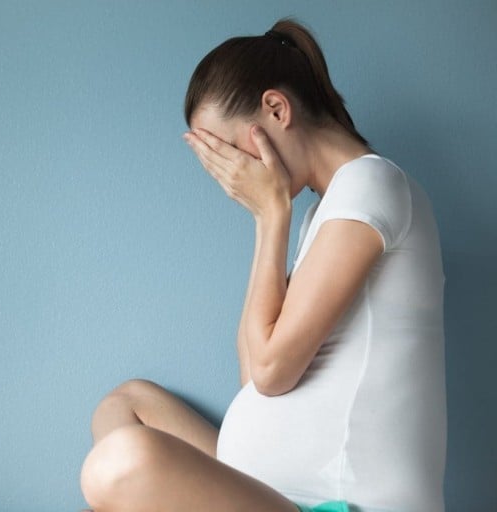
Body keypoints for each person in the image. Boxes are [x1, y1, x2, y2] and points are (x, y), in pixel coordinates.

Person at [79, 18, 446, 512]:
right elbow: (254, 377)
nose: (230, 176)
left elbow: (272, 372)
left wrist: (271, 213)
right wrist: (270, 220)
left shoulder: (371, 184)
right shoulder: (324, 211)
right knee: (125, 404)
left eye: (227, 150)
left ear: (276, 108)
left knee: (121, 461)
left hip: (341, 504)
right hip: (275, 494)